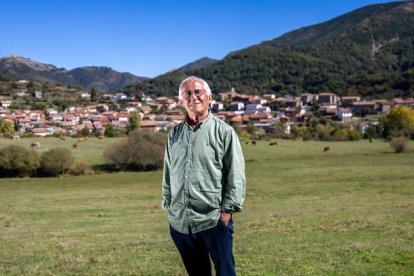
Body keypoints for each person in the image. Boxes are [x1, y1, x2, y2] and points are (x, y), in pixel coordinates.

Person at [161, 76, 246, 276]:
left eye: (198, 92)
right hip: (181, 223)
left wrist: (226, 214)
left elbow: (236, 176)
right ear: (181, 100)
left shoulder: (224, 132)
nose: (193, 97)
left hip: (213, 220)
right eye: (187, 93)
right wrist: (169, 206)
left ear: (209, 97)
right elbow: (168, 172)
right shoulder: (174, 135)